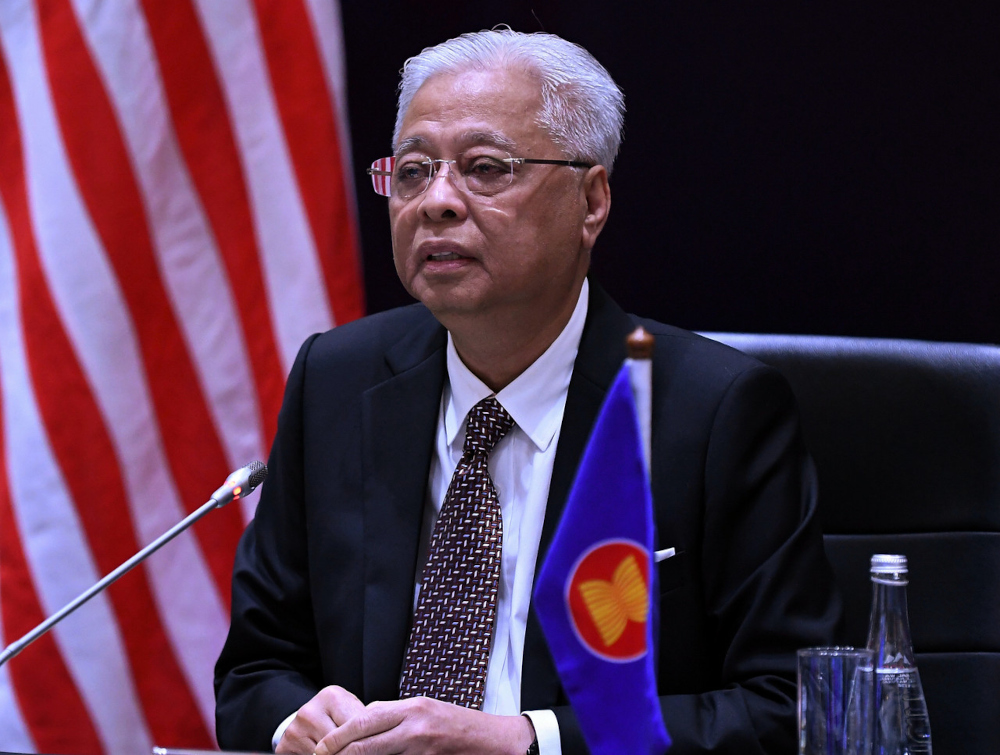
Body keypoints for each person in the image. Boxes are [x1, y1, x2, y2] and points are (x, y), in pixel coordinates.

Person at [214, 29, 843, 755]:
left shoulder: (712, 412)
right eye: (413, 171)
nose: (436, 202)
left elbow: (794, 704)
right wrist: (295, 718)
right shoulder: (337, 380)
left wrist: (528, 740)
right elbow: (253, 671)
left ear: (591, 201)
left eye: (485, 168)